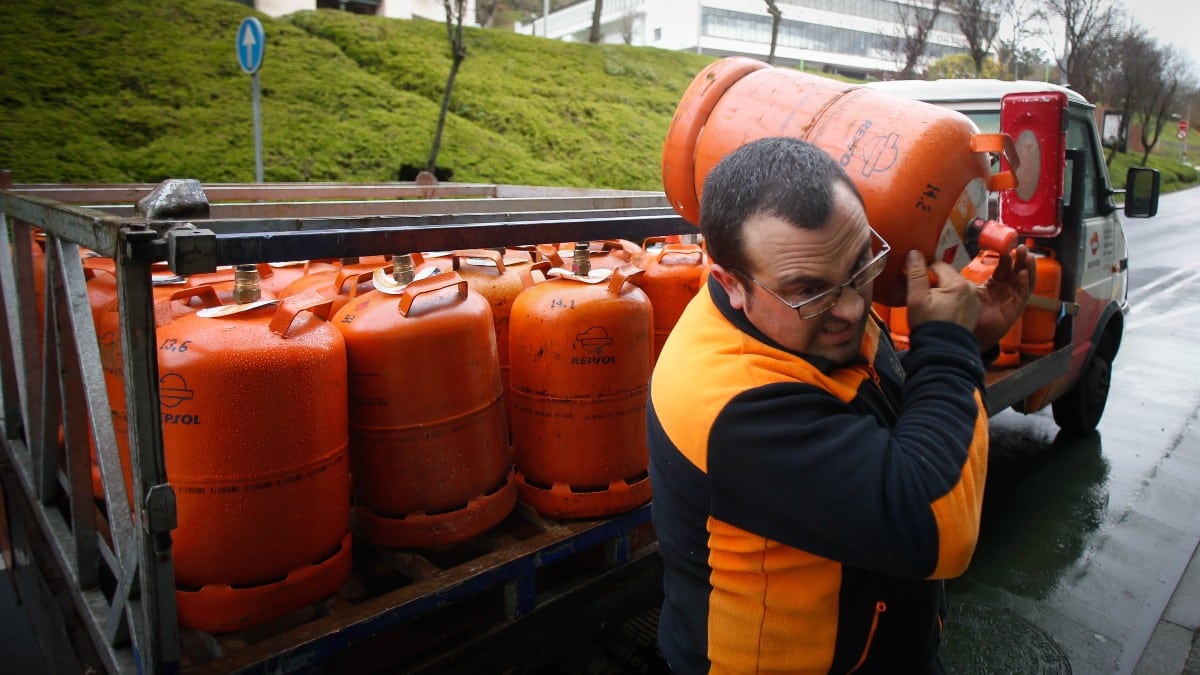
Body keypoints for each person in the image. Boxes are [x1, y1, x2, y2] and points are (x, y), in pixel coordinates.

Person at [647, 136, 1033, 674]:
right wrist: (949, 349)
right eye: (811, 291)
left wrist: (974, 340)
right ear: (731, 284)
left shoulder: (803, 317)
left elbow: (889, 410)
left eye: (861, 266)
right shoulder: (731, 403)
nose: (852, 309)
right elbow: (937, 525)